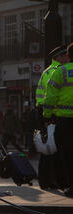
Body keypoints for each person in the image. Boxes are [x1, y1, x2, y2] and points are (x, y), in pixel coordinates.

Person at [36, 45, 69, 190]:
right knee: (50, 149)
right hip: (51, 114)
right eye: (65, 56)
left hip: (47, 112)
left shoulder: (48, 70)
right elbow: (51, 96)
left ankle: (49, 180)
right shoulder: (56, 71)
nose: (67, 58)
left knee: (51, 148)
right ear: (59, 57)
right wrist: (48, 117)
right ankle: (47, 180)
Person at [43, 43, 73, 198]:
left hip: (65, 120)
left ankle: (72, 186)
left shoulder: (61, 72)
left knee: (68, 153)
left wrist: (47, 116)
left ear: (68, 56)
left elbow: (51, 97)